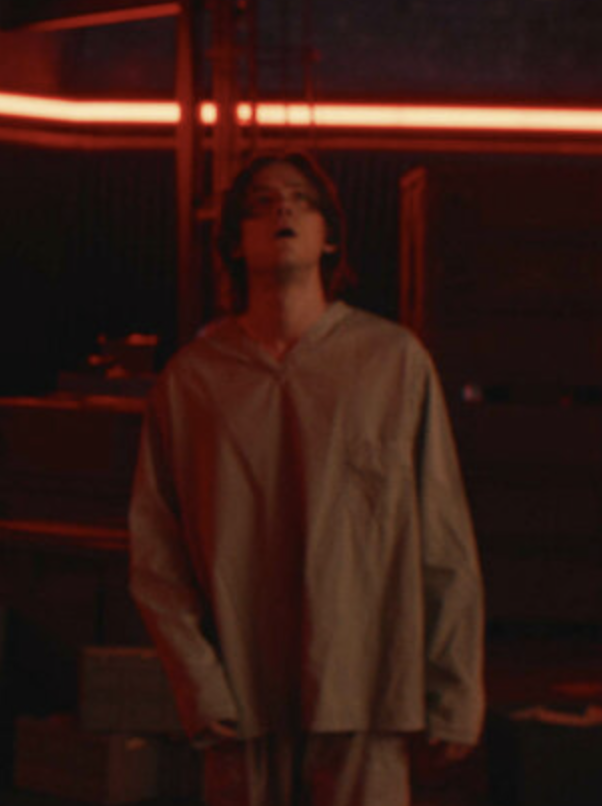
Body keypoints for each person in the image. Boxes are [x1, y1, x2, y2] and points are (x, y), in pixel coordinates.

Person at [128, 152, 485, 806]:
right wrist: (199, 684)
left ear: (330, 237)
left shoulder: (392, 364)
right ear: (235, 243)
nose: (283, 209)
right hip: (241, 702)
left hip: (364, 694)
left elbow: (443, 541)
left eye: (301, 199)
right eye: (261, 203)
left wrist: (454, 690)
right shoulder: (193, 383)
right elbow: (157, 557)